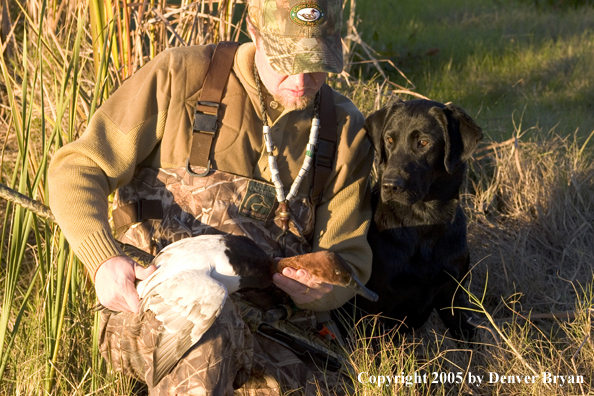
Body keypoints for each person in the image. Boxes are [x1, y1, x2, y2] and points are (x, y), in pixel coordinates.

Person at [48, 0, 373, 394]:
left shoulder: (343, 129)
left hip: (270, 323)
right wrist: (101, 259)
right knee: (208, 339)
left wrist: (324, 293)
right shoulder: (180, 76)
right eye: (287, 60)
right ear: (253, 32)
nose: (302, 80)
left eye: (316, 60)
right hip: (160, 313)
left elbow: (349, 259)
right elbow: (78, 167)